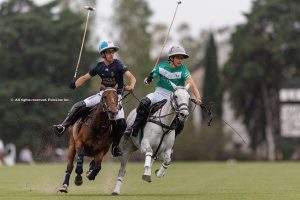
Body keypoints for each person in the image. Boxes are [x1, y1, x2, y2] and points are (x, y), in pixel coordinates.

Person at [53, 40, 136, 157]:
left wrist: (131, 85)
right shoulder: (99, 66)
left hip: (117, 97)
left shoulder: (118, 64)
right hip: (103, 96)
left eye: (112, 52)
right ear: (103, 54)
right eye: (108, 52)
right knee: (79, 105)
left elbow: (131, 77)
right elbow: (85, 77)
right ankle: (63, 126)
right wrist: (75, 84)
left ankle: (115, 146)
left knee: (122, 123)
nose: (111, 54)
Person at [124, 45, 202, 138]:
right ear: (171, 58)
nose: (180, 60)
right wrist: (148, 79)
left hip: (174, 98)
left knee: (181, 120)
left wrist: (198, 97)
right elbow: (149, 78)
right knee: (144, 103)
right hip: (159, 93)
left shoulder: (183, 69)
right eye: (178, 57)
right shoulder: (162, 66)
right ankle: (134, 128)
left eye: (182, 58)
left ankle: (172, 141)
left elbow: (191, 83)